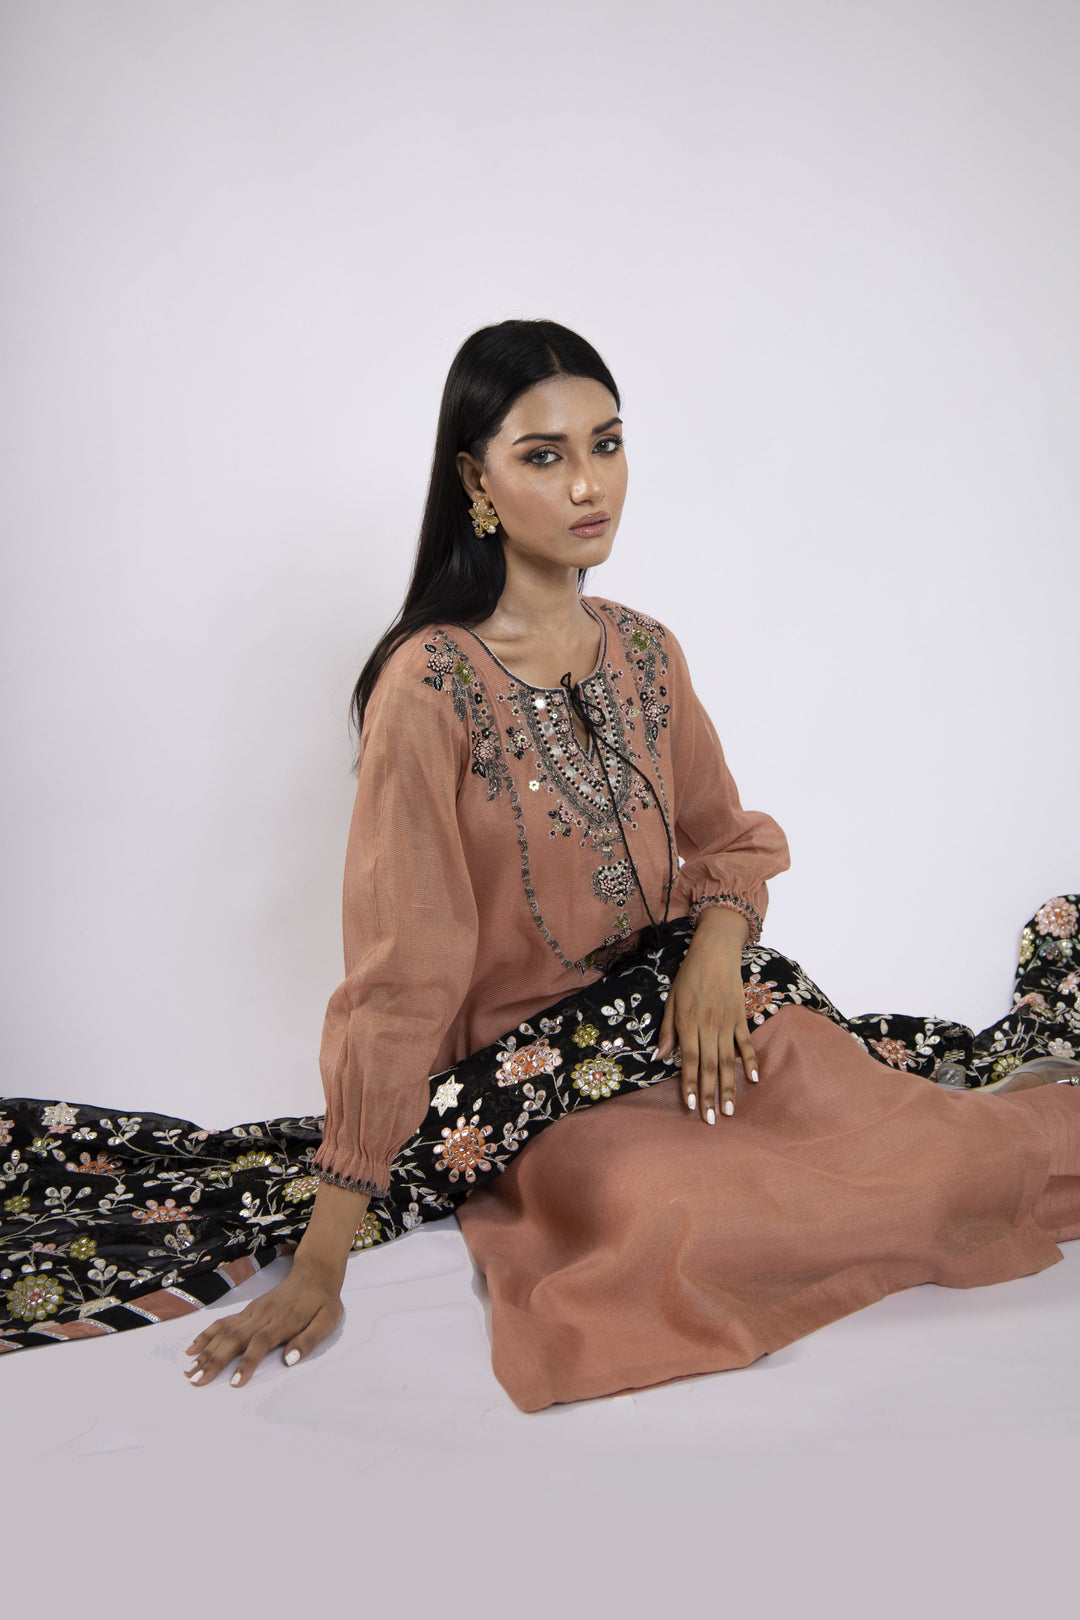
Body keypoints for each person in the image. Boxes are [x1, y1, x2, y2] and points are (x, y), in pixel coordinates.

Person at [172, 318, 1080, 1404]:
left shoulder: (646, 651)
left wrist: (715, 953)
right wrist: (321, 1260)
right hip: (536, 1090)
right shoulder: (430, 687)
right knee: (675, 1223)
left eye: (606, 444)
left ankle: (1014, 1102)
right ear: (475, 480)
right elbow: (403, 973)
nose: (588, 484)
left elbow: (730, 839)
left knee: (940, 1156)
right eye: (543, 455)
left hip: (693, 1021)